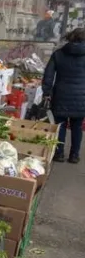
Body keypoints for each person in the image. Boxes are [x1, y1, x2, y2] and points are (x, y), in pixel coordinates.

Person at [42, 27, 85, 163]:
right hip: (81, 96)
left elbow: (48, 75)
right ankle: (74, 155)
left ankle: (59, 153)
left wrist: (47, 92)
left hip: (61, 94)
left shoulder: (59, 54)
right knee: (77, 126)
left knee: (60, 125)